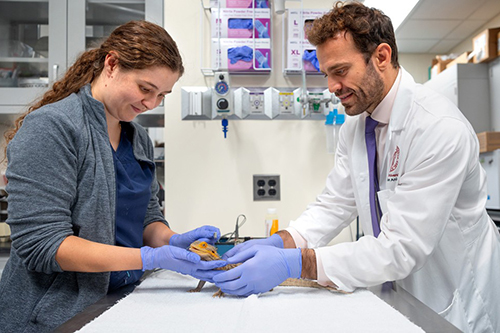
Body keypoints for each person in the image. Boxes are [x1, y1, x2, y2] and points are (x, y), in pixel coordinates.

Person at [212, 2, 500, 332]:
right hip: (400, 292)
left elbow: (401, 248)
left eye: (340, 71)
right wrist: (282, 241)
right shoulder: (358, 124)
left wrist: (296, 263)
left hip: (457, 304)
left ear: (381, 57)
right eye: (326, 74)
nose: (332, 87)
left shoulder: (437, 128)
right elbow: (335, 204)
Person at [0, 20, 225, 332]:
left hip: (118, 302)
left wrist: (174, 242)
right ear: (111, 64)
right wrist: (149, 258)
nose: (150, 104)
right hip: (52, 317)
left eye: (162, 95)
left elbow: (146, 218)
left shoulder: (138, 139)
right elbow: (44, 246)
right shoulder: (53, 128)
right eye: (145, 88)